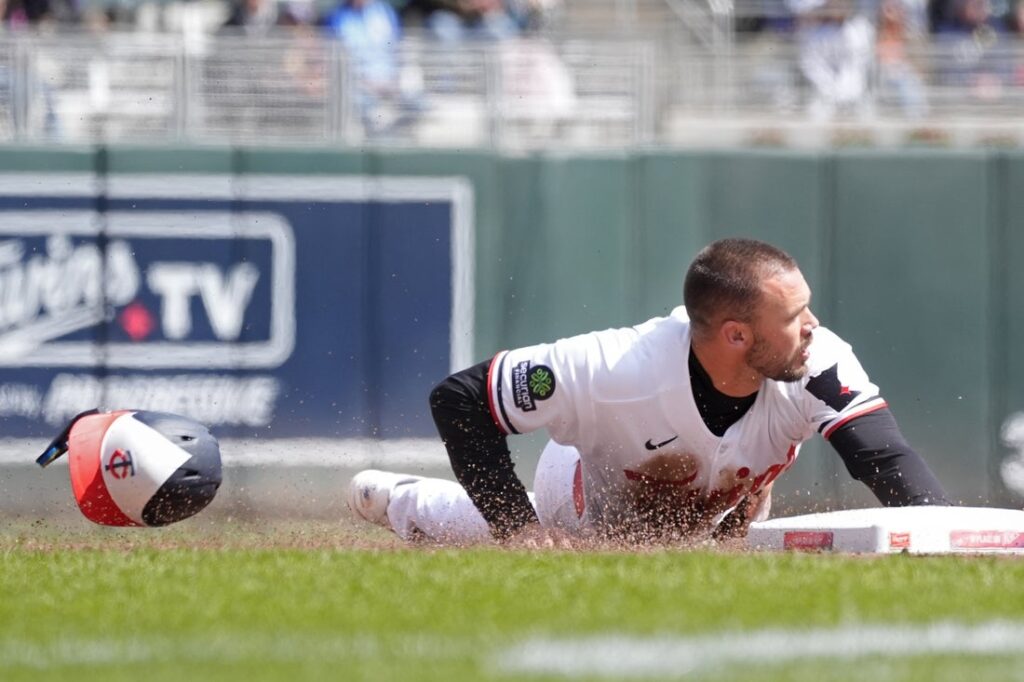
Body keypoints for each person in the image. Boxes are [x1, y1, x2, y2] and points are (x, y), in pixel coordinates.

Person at [348, 238, 951, 546]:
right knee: (518, 537)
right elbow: (458, 398)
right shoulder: (614, 368)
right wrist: (519, 530)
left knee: (724, 514)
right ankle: (403, 500)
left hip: (719, 501)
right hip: (582, 498)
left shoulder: (815, 358)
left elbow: (883, 455)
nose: (814, 324)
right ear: (737, 334)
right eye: (795, 313)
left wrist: (943, 533)